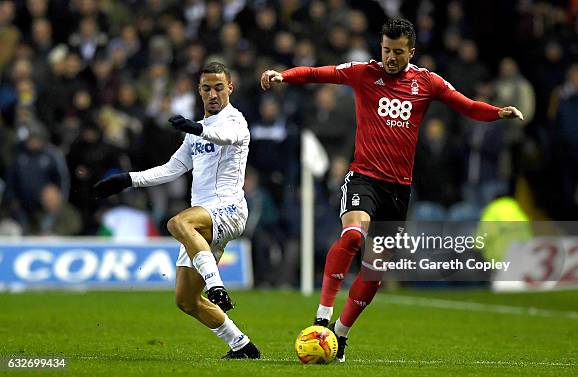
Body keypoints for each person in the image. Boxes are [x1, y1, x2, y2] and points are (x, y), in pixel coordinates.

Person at [261, 17, 523, 363]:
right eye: (386, 50)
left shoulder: (427, 82)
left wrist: (499, 112)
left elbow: (466, 105)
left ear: (410, 51)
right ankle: (322, 315)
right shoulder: (364, 73)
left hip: (398, 191)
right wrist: (285, 75)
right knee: (353, 236)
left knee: (375, 270)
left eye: (398, 52)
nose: (390, 58)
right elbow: (318, 73)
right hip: (363, 178)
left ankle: (339, 335)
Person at [93, 62, 260, 359]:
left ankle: (216, 284)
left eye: (219, 88)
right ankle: (243, 346)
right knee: (185, 300)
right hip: (203, 219)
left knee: (176, 223)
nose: (213, 94)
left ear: (230, 89)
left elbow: (227, 137)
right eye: (207, 88)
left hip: (230, 209)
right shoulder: (196, 132)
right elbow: (173, 168)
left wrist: (196, 128)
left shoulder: (236, 121)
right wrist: (128, 180)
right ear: (199, 91)